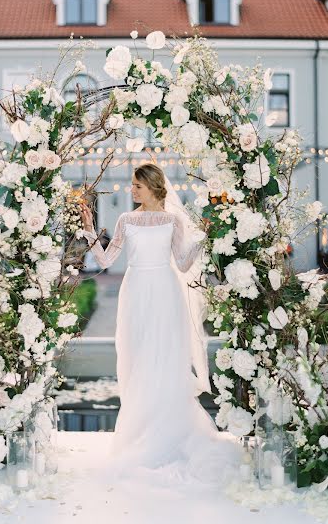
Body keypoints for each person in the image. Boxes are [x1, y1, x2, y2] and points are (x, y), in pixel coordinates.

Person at [79, 163, 242, 489]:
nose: (132, 190)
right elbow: (106, 261)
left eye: (137, 185)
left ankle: (169, 431)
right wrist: (89, 230)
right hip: (136, 291)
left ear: (153, 186)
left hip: (166, 292)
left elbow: (182, 263)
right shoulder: (126, 219)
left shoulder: (173, 220)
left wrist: (203, 239)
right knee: (137, 359)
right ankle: (141, 431)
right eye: (133, 185)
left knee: (166, 360)